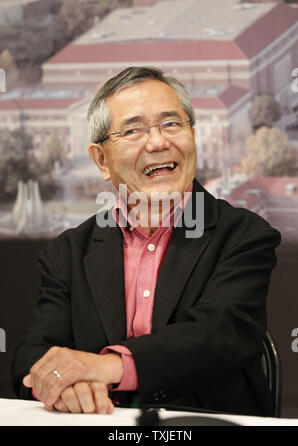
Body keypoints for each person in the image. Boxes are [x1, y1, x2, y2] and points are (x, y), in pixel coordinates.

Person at [11, 66, 281, 416]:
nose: (157, 142)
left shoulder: (244, 236)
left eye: (172, 124)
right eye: (134, 130)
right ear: (102, 160)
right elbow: (32, 358)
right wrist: (63, 384)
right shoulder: (68, 253)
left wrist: (107, 367)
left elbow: (219, 335)